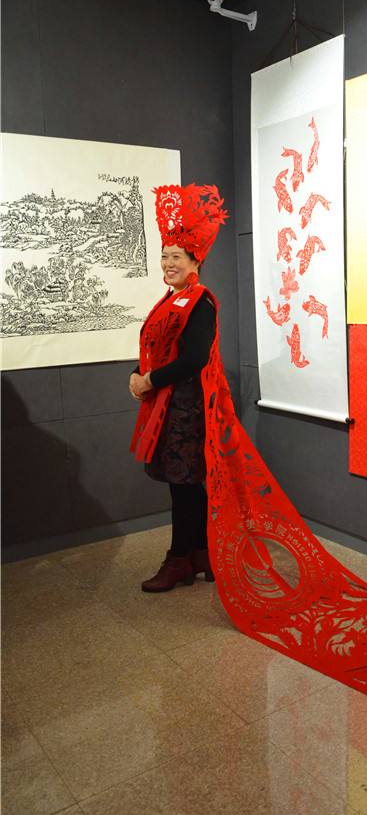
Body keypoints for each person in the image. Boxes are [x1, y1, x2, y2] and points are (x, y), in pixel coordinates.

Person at [130, 183, 228, 592]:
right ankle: (200, 554)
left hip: (187, 408)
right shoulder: (170, 300)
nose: (168, 263)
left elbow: (194, 359)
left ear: (194, 261)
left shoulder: (200, 301)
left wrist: (149, 380)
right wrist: (137, 374)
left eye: (176, 257)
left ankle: (179, 560)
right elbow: (158, 349)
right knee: (184, 486)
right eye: (164, 255)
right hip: (169, 405)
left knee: (184, 486)